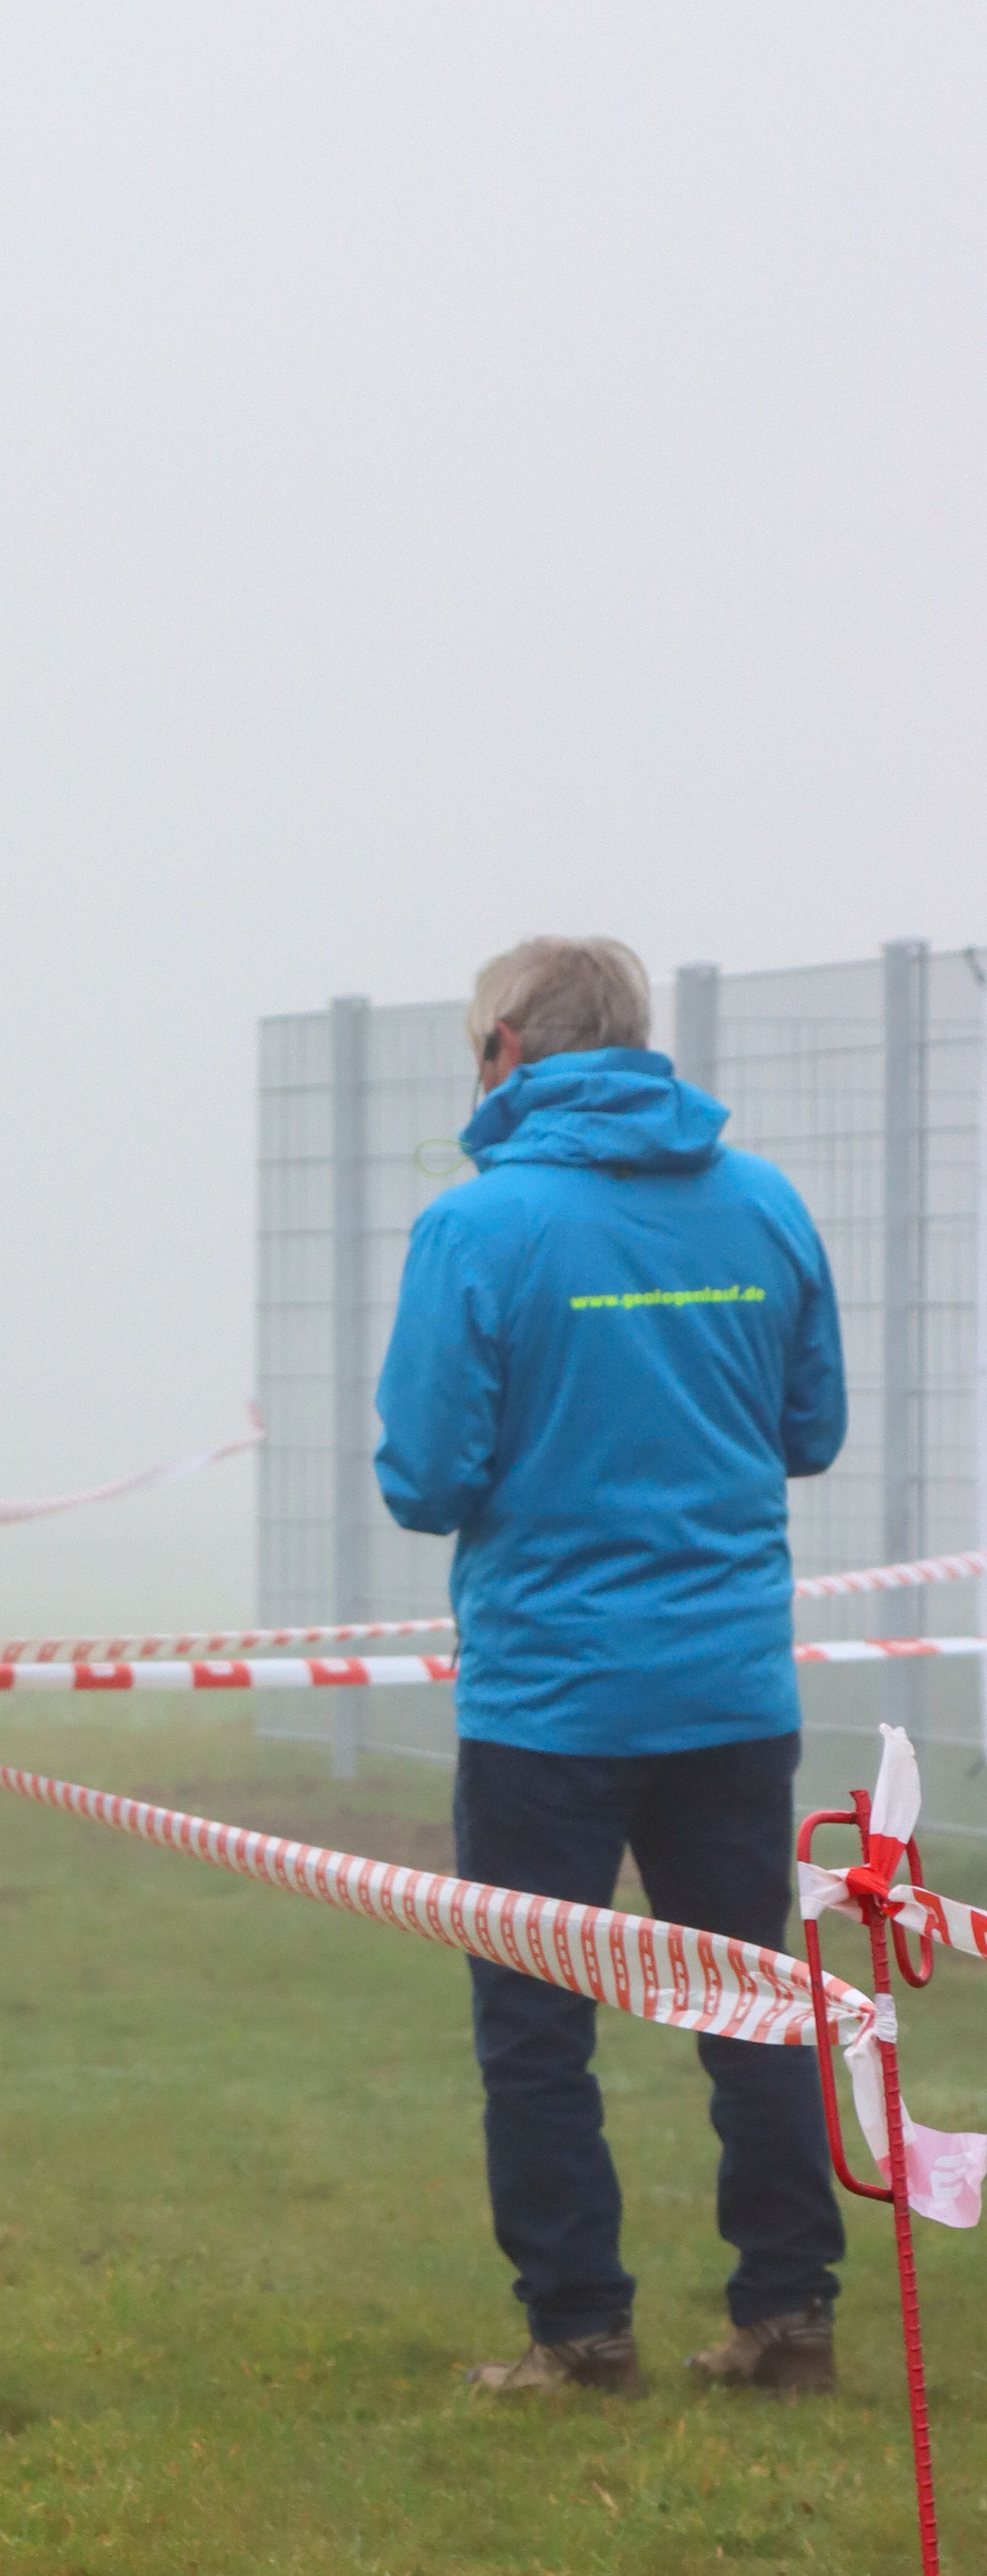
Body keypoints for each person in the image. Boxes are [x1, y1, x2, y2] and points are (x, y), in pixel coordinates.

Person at [372, 934, 851, 2401]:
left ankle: (579, 2333)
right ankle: (791, 2314)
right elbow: (812, 1432)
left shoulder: (478, 1227)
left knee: (537, 2031)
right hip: (731, 1694)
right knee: (751, 2003)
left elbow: (425, 1480)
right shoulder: (764, 1205)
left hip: (550, 1703)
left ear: (507, 1049)